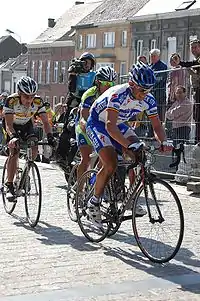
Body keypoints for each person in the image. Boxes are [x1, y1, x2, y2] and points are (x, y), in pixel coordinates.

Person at [85, 62, 173, 225]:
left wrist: (165, 141)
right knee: (110, 163)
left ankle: (130, 199)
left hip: (118, 123)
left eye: (149, 89)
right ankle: (94, 202)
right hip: (98, 122)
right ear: (132, 84)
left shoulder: (149, 99)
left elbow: (157, 126)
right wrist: (127, 145)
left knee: (139, 154)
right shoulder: (118, 95)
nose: (145, 94)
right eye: (142, 90)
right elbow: (109, 127)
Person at [4, 76, 56, 200]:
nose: (29, 100)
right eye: (26, 97)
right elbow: (8, 125)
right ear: (19, 94)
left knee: (34, 148)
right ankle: (9, 185)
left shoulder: (38, 102)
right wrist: (13, 137)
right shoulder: (11, 101)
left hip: (27, 125)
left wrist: (50, 137)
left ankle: (26, 171)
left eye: (32, 96)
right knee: (14, 152)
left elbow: (45, 122)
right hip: (13, 126)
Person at [76, 66, 117, 181]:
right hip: (84, 124)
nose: (109, 86)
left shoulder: (114, 95)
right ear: (98, 82)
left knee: (106, 158)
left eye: (111, 84)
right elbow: (84, 118)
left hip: (101, 126)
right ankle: (80, 189)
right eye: (105, 83)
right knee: (86, 158)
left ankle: (95, 181)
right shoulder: (90, 94)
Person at [56, 52, 96, 166]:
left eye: (89, 63)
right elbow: (72, 89)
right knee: (68, 127)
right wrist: (73, 75)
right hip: (75, 101)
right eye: (84, 62)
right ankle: (61, 155)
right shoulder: (75, 74)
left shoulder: (94, 75)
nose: (86, 65)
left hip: (88, 102)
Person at [171, 39, 200, 142]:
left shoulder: (198, 60)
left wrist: (182, 63)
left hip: (198, 89)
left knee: (198, 116)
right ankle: (197, 140)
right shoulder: (196, 60)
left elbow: (192, 64)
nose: (193, 50)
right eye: (192, 47)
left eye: (195, 47)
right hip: (196, 89)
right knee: (197, 116)